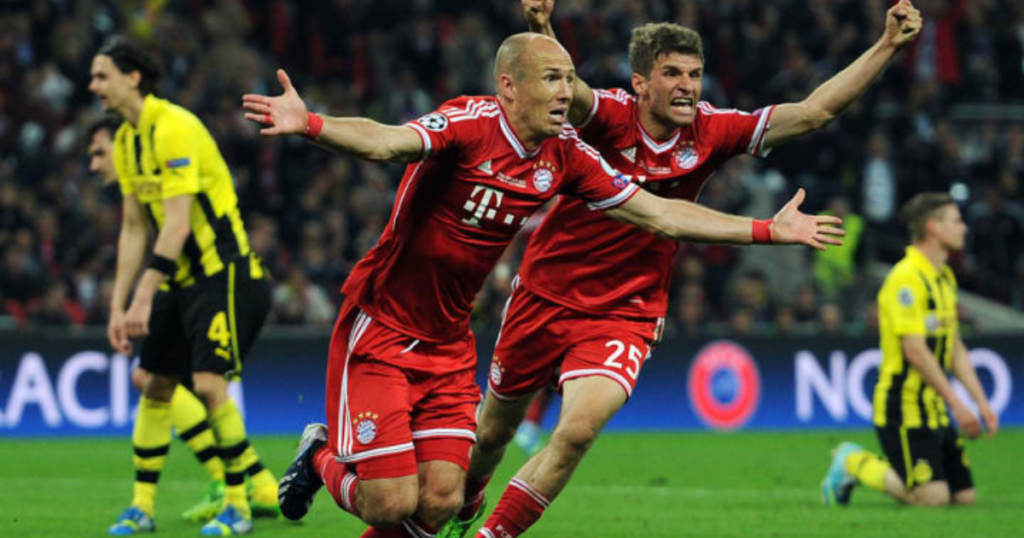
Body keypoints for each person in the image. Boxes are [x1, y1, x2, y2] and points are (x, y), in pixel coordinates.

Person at [242, 32, 842, 538]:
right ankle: (319, 453)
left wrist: (766, 229)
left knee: (442, 502)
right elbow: (387, 142)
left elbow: (660, 213)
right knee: (391, 504)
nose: (565, 94)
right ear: (510, 86)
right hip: (383, 324)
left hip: (450, 341)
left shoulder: (566, 156)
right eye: (552, 80)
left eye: (569, 79)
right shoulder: (468, 124)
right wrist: (311, 122)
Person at [440, 2, 923, 537]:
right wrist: (540, 29)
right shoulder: (608, 115)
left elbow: (813, 113)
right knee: (490, 435)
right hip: (544, 294)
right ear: (640, 83)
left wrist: (887, 46)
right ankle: (469, 501)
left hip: (627, 310)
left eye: (694, 74)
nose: (688, 86)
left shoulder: (713, 130)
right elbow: (565, 88)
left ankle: (493, 535)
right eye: (672, 73)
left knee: (576, 433)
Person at [90, 37, 278, 536]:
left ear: (132, 77)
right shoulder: (128, 140)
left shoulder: (173, 127)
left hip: (226, 273)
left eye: (102, 75)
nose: (93, 86)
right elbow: (134, 226)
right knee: (152, 383)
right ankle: (141, 508)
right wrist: (117, 306)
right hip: (181, 278)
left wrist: (144, 294)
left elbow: (175, 226)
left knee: (211, 385)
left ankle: (238, 507)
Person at [822, 193, 999, 507]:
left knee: (964, 499)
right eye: (956, 221)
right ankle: (853, 462)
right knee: (932, 499)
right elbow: (915, 351)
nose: (964, 228)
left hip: (932, 406)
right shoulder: (906, 279)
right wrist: (958, 404)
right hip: (902, 407)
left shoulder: (943, 277)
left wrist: (982, 403)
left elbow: (954, 346)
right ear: (934, 227)